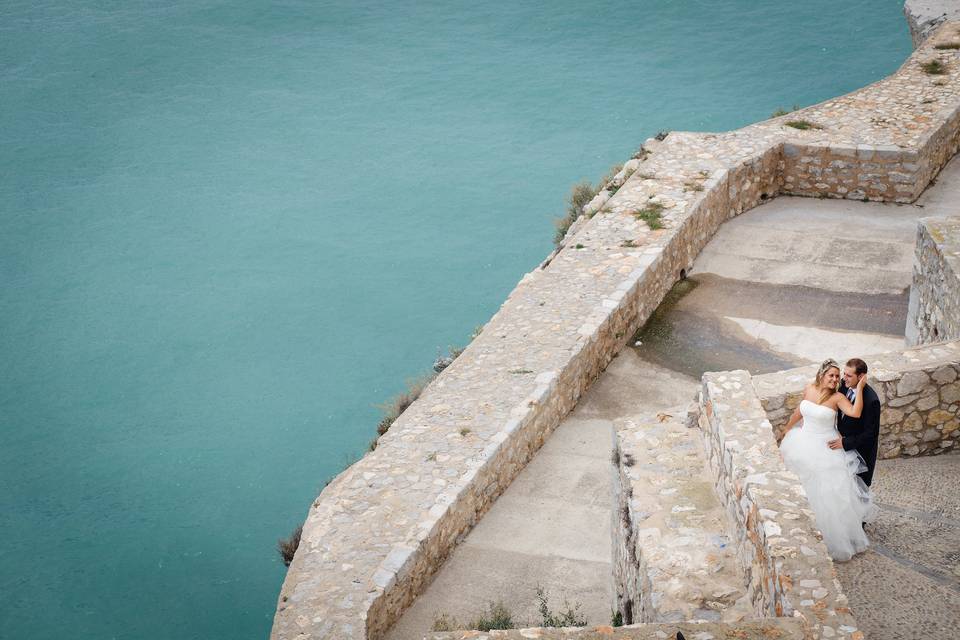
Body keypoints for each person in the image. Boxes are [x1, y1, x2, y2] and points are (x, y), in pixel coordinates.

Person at [778, 359, 878, 561]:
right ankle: (800, 529)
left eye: (837, 375)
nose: (836, 379)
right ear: (822, 375)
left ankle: (829, 536)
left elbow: (855, 412)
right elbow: (801, 409)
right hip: (802, 442)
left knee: (827, 495)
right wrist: (788, 427)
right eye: (831, 375)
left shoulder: (838, 396)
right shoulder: (810, 388)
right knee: (801, 487)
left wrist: (860, 388)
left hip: (826, 447)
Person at [830, 358, 881, 487]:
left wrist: (845, 442)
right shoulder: (843, 385)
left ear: (861, 377)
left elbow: (871, 434)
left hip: (861, 453)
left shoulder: (871, 400)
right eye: (844, 374)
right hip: (841, 449)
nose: (844, 378)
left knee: (858, 489)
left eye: (849, 375)